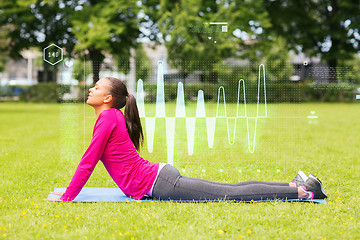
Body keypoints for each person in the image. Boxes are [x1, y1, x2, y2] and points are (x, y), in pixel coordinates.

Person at [48, 77, 328, 202]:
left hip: (160, 183)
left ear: (107, 98)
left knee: (228, 194)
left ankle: (302, 192)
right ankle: (294, 185)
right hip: (160, 177)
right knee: (228, 189)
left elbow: (89, 160)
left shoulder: (108, 117)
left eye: (96, 87)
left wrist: (69, 195)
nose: (90, 89)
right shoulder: (111, 118)